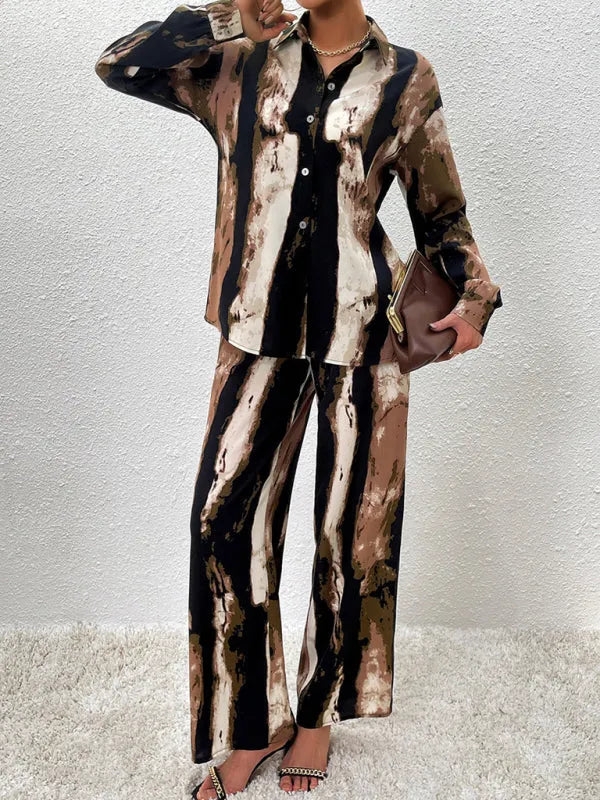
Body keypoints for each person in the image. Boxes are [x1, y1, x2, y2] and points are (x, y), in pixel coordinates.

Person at [94, 0, 503, 796]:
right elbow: (120, 65)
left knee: (351, 536)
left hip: (366, 333)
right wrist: (225, 20)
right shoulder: (237, 62)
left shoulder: (406, 78)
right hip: (256, 329)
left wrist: (476, 300)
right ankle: (253, 725)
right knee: (222, 521)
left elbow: (441, 211)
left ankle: (315, 718)